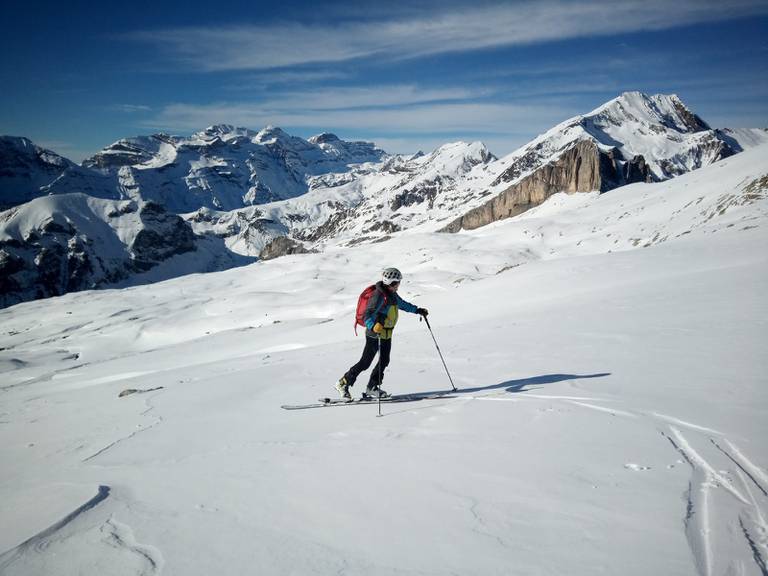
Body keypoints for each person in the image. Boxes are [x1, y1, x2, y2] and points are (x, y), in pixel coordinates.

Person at [336, 267, 428, 401]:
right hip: (375, 334)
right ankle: (343, 383)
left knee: (384, 360)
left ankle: (372, 387)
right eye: (398, 282)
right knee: (365, 363)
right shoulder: (378, 295)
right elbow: (368, 314)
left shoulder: (391, 294)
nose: (399, 285)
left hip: (386, 334)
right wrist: (373, 326)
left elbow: (402, 304)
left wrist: (417, 310)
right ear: (392, 283)